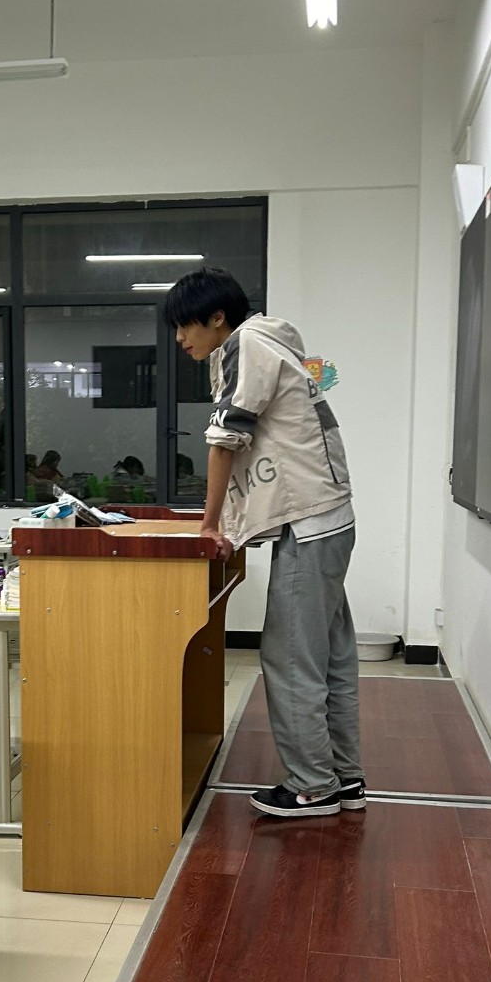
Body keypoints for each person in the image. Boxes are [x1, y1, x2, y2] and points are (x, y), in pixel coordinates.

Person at [165, 266, 364, 819]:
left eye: (185, 326)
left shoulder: (245, 344)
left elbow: (225, 440)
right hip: (329, 517)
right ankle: (344, 777)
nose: (180, 339)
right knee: (329, 657)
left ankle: (312, 786)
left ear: (217, 318)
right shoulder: (275, 341)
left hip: (309, 522)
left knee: (290, 657)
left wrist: (211, 525)